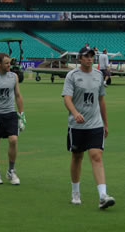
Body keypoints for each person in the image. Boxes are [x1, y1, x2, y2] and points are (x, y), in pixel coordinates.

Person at [61, 47, 115, 209]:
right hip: (76, 125)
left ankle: (103, 196)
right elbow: (67, 99)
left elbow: (101, 101)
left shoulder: (99, 75)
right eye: (86, 56)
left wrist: (105, 123)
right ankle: (75, 192)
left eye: (92, 56)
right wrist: (75, 113)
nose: (90, 58)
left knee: (96, 156)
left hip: (95, 124)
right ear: (79, 59)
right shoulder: (72, 76)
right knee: (77, 157)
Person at [0, 53, 26, 185]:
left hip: (10, 113)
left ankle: (11, 171)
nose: (9, 65)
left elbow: (18, 95)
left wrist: (21, 114)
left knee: (13, 140)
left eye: (9, 63)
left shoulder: (14, 77)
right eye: (6, 63)